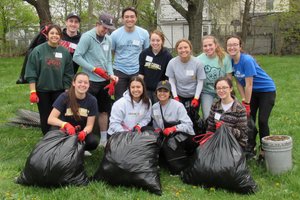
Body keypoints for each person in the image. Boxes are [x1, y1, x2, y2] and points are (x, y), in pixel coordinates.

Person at [226, 35, 276, 159]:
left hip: (266, 91)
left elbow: (249, 84)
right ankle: (250, 147)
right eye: (229, 45)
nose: (232, 47)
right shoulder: (230, 61)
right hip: (251, 93)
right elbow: (238, 81)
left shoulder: (246, 60)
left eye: (235, 44)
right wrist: (244, 99)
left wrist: (247, 104)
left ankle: (265, 150)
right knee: (248, 121)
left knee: (262, 121)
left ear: (240, 46)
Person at [73, 13, 118, 147]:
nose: (106, 30)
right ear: (97, 24)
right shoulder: (87, 37)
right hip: (90, 81)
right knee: (84, 110)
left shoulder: (108, 39)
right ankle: (83, 138)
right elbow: (77, 57)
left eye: (108, 28)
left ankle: (103, 139)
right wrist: (93, 69)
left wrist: (111, 74)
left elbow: (109, 60)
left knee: (104, 110)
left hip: (104, 81)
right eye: (104, 27)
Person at [25, 24, 74, 135]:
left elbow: (68, 73)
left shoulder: (65, 52)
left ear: (60, 36)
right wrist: (33, 92)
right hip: (42, 90)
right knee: (45, 115)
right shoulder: (38, 51)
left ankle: (57, 137)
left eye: (57, 34)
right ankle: (46, 139)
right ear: (47, 35)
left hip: (59, 90)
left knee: (59, 115)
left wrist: (67, 90)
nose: (54, 35)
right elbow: (31, 72)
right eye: (52, 33)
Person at [17, 13, 81, 84]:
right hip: (50, 75)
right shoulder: (57, 35)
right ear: (66, 22)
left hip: (68, 76)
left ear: (79, 24)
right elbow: (40, 50)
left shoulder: (82, 40)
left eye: (76, 22)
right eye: (71, 21)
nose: (73, 24)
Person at [151, 80, 196, 174]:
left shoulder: (178, 106)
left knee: (172, 142)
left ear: (170, 93)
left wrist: (174, 128)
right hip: (165, 136)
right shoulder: (154, 107)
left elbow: (189, 125)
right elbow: (156, 126)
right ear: (156, 93)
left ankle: (178, 169)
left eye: (165, 91)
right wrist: (157, 130)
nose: (162, 93)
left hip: (184, 137)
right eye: (160, 91)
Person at [48, 72, 99, 154]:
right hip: (64, 130)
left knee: (93, 142)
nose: (83, 85)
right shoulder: (64, 97)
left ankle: (80, 149)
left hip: (80, 131)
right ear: (74, 83)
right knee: (53, 136)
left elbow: (90, 125)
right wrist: (65, 125)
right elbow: (50, 119)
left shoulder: (92, 100)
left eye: (86, 82)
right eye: (80, 82)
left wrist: (84, 132)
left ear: (89, 85)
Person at [111, 7, 150, 100]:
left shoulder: (144, 33)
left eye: (132, 17)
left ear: (136, 18)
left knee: (137, 97)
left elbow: (147, 52)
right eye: (126, 17)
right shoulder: (115, 34)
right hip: (119, 70)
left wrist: (144, 71)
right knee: (120, 99)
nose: (129, 19)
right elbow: (110, 52)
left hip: (137, 71)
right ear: (123, 18)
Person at [206, 77, 248, 149]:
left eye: (224, 87)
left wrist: (225, 128)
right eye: (218, 88)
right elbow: (210, 127)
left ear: (230, 89)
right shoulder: (215, 105)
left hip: (235, 143)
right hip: (218, 140)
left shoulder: (240, 108)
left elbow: (242, 134)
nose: (221, 90)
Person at [197, 35, 233, 120]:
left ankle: (223, 132)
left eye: (210, 45)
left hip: (222, 90)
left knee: (224, 116)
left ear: (215, 45)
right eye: (205, 46)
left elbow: (229, 77)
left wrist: (229, 91)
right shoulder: (198, 60)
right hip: (207, 91)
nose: (208, 48)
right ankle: (210, 132)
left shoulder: (225, 57)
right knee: (208, 117)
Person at [166, 39, 206, 113]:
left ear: (190, 49)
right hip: (179, 95)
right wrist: (175, 96)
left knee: (193, 118)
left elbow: (200, 81)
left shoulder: (198, 63)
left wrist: (196, 98)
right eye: (180, 48)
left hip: (193, 95)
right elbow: (171, 80)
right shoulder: (172, 63)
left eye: (185, 47)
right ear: (177, 50)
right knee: (179, 117)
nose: (183, 50)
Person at [139, 30, 173, 103]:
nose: (155, 43)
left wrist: (165, 91)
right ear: (150, 41)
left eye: (158, 40)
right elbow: (141, 73)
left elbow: (168, 77)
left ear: (162, 41)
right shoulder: (144, 53)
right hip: (146, 90)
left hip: (160, 91)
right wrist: (139, 86)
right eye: (153, 40)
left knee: (158, 112)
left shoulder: (167, 56)